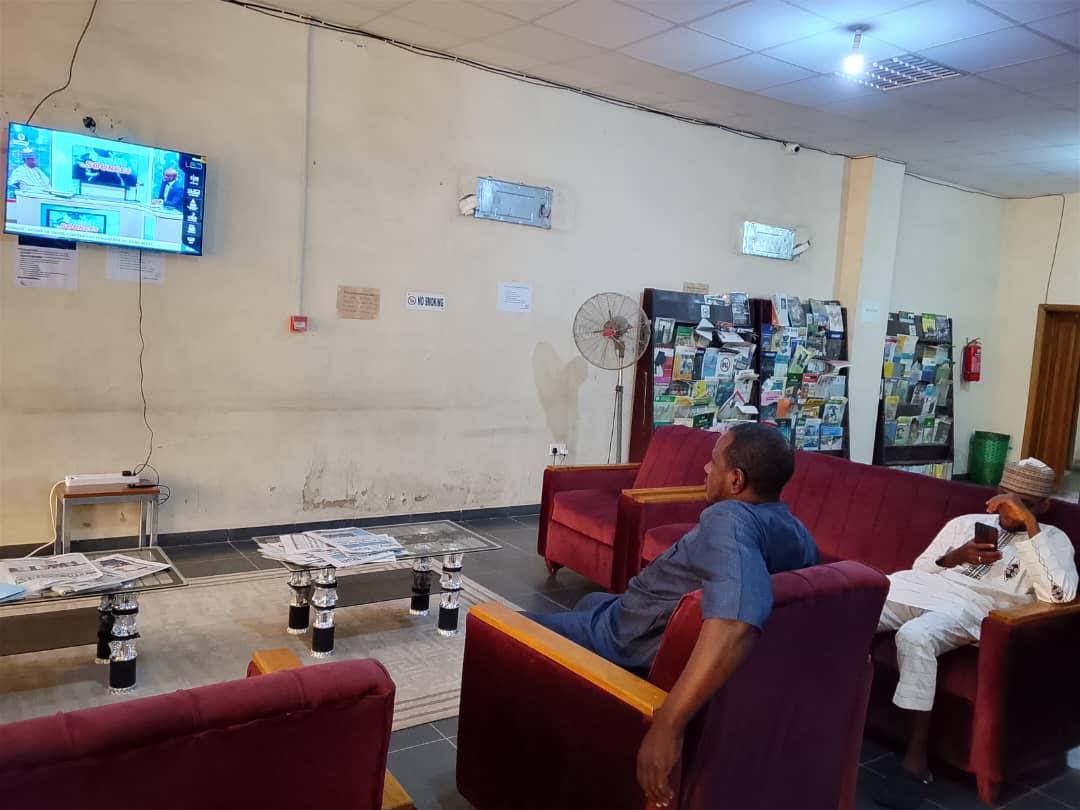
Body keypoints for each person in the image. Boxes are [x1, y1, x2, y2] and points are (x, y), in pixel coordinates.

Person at [530, 422, 818, 806]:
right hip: (627, 613)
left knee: (503, 624)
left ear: (735, 480)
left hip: (622, 639)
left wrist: (667, 725)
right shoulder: (796, 532)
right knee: (588, 602)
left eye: (712, 462)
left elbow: (737, 617)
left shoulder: (729, 518)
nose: (703, 469)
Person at [874, 458, 1077, 810]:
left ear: (1044, 506)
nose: (1009, 510)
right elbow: (921, 568)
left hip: (975, 609)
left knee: (915, 636)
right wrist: (955, 557)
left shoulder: (1052, 539)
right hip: (926, 588)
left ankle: (914, 760)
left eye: (1023, 504)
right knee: (855, 605)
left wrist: (1030, 528)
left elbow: (1059, 595)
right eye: (1004, 498)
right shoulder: (965, 523)